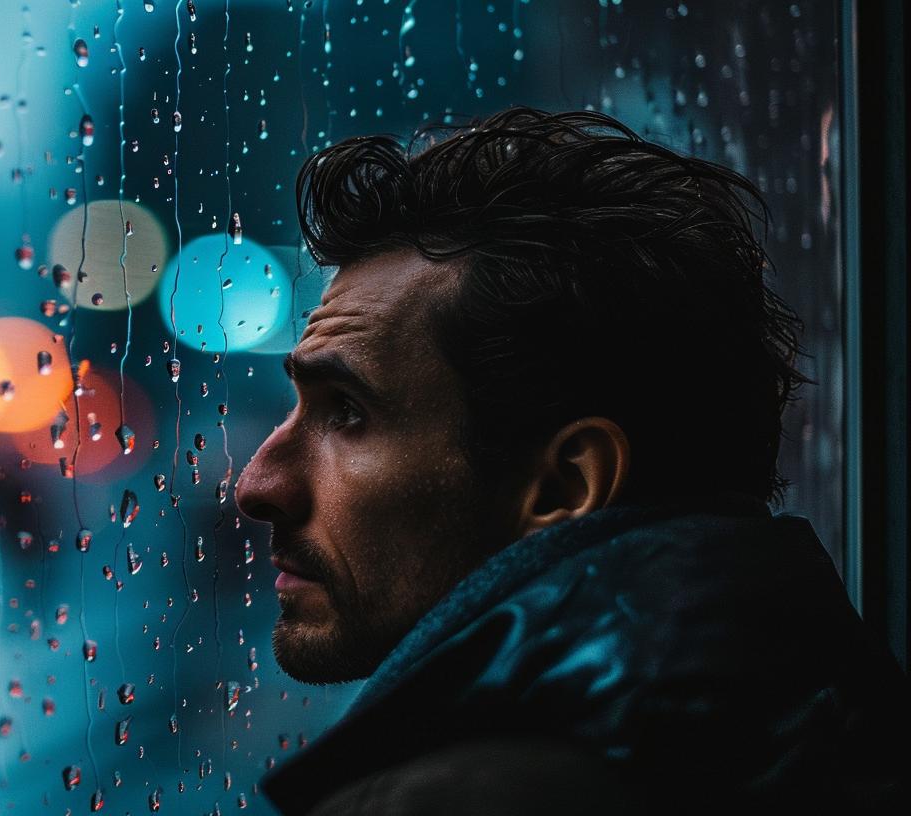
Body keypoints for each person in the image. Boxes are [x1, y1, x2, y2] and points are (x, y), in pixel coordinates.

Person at [235, 107, 908, 814]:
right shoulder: (815, 718)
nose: (258, 483)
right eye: (297, 408)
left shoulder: (475, 797)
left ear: (565, 484)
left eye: (347, 413)